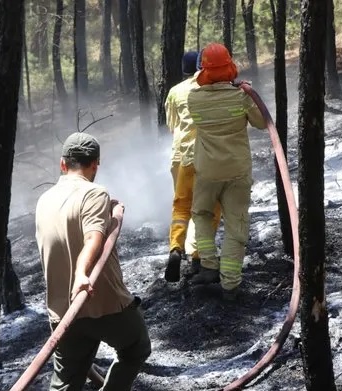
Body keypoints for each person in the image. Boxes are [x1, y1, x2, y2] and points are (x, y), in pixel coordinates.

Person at [34, 132, 151, 391]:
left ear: (62, 164)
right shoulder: (95, 193)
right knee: (136, 347)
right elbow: (93, 237)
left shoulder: (44, 200)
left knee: (65, 383)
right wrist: (82, 274)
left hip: (62, 312)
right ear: (95, 164)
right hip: (102, 304)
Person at [187, 43, 267, 301]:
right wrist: (247, 93)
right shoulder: (241, 96)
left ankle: (209, 265)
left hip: (207, 172)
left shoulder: (194, 98)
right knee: (236, 225)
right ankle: (230, 284)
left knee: (201, 214)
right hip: (237, 172)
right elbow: (261, 123)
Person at [164, 51, 222, 282]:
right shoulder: (212, 89)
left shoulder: (175, 92)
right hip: (207, 158)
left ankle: (176, 248)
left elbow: (172, 126)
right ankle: (199, 257)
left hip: (180, 159)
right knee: (208, 209)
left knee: (181, 207)